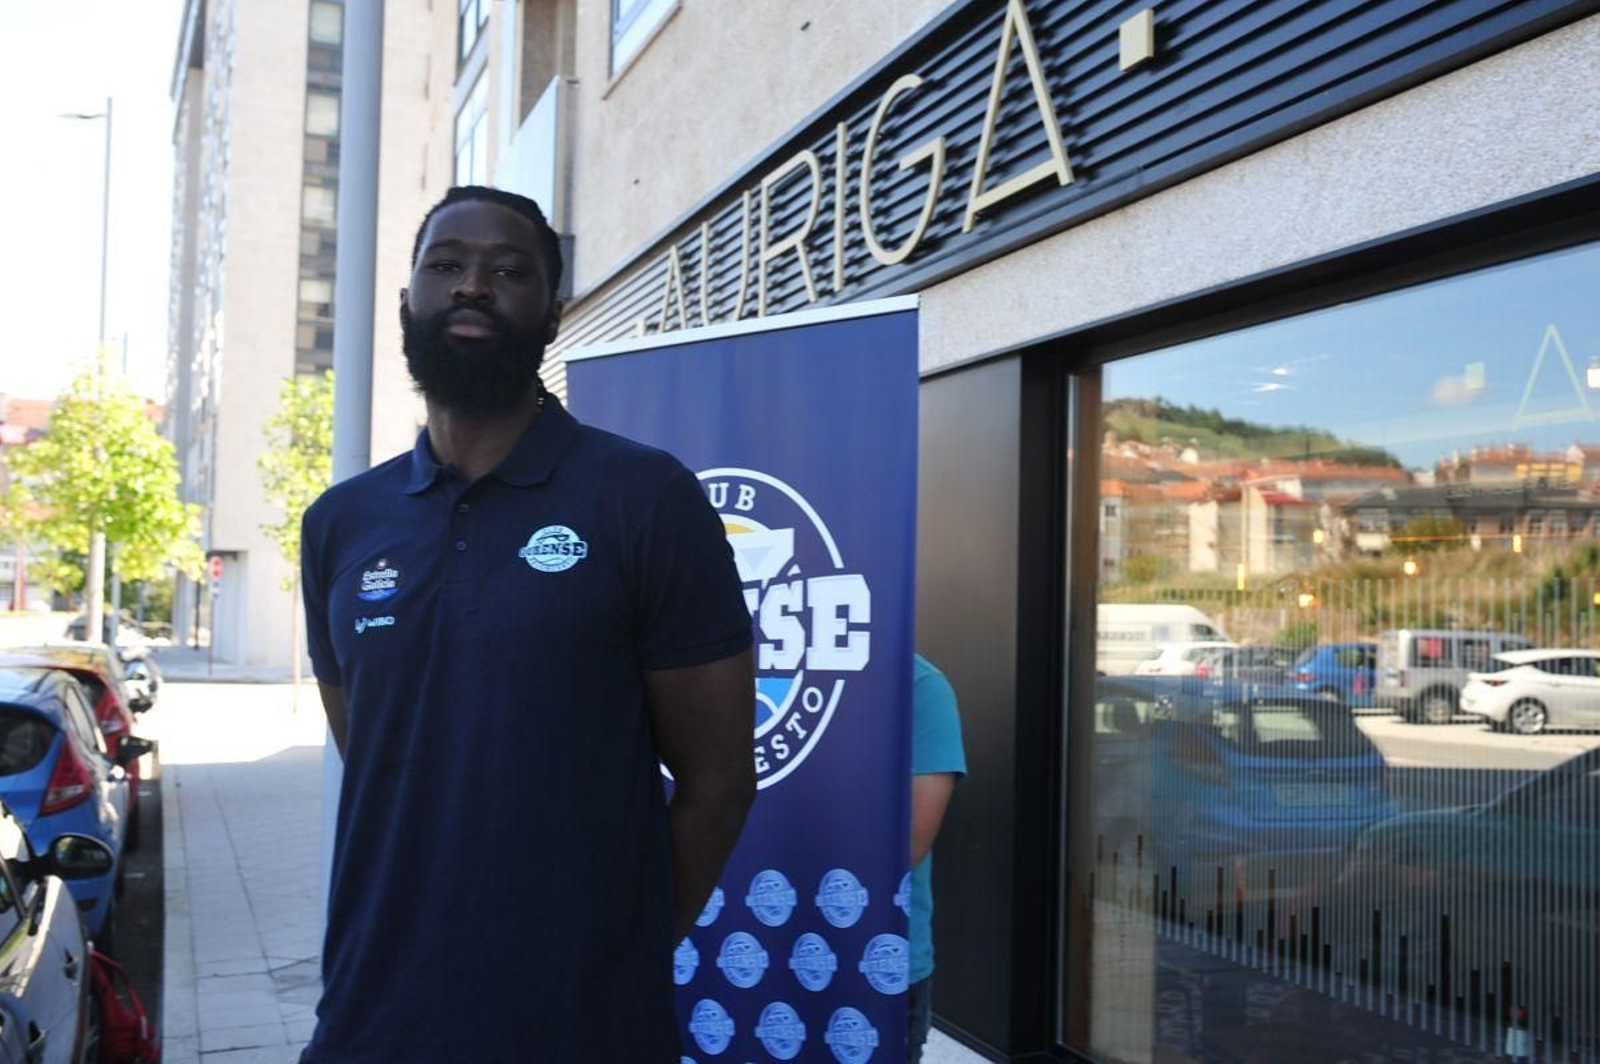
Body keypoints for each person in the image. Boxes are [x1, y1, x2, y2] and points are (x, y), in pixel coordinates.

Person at [299, 186, 756, 1063]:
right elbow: (379, 754)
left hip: (583, 1027)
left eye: (510, 270)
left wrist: (615, 956)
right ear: (408, 304)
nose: (473, 286)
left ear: (551, 316)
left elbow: (718, 785)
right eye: (446, 265)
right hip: (370, 1017)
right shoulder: (341, 522)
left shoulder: (645, 499)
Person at [907, 653, 967, 1063]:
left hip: (883, 959)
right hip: (751, 940)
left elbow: (908, 844)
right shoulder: (742, 669)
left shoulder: (920, 686)